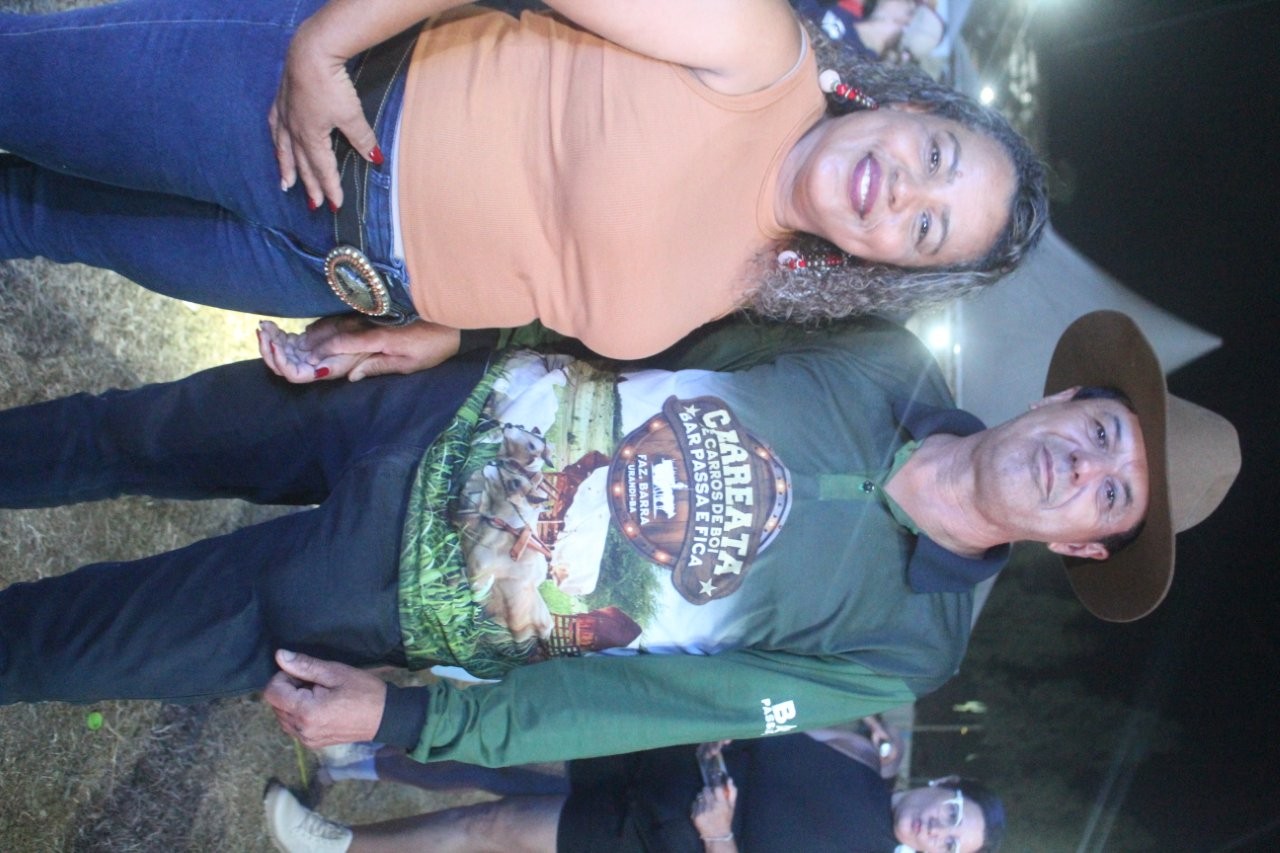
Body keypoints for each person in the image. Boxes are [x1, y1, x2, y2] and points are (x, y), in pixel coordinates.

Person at [0, 311, 1239, 766]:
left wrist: (415, 722)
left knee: (70, 645)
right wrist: (453, 332)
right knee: (116, 433)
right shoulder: (883, 353)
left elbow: (649, 703)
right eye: (1101, 432)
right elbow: (643, 315)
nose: (1082, 468)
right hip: (409, 405)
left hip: (390, 592)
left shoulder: (905, 646)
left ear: (1086, 547)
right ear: (1060, 397)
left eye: (1109, 496)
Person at [0, 0, 1047, 374]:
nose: (901, 194)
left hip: (321, 267)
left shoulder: (754, 287)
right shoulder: (757, 50)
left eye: (925, 230)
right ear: (909, 106)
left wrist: (435, 332)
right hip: (309, 104)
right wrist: (323, 45)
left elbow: (554, 276)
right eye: (936, 160)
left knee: (35, 220)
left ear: (882, 265)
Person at [259, 733, 1002, 852]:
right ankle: (354, 757)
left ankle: (336, 844)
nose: (939, 829)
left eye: (950, 845)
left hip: (653, 835)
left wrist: (718, 835)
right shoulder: (865, 759)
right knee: (492, 755)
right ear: (943, 786)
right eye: (953, 814)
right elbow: (775, 723)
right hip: (650, 751)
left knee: (495, 824)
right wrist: (719, 737)